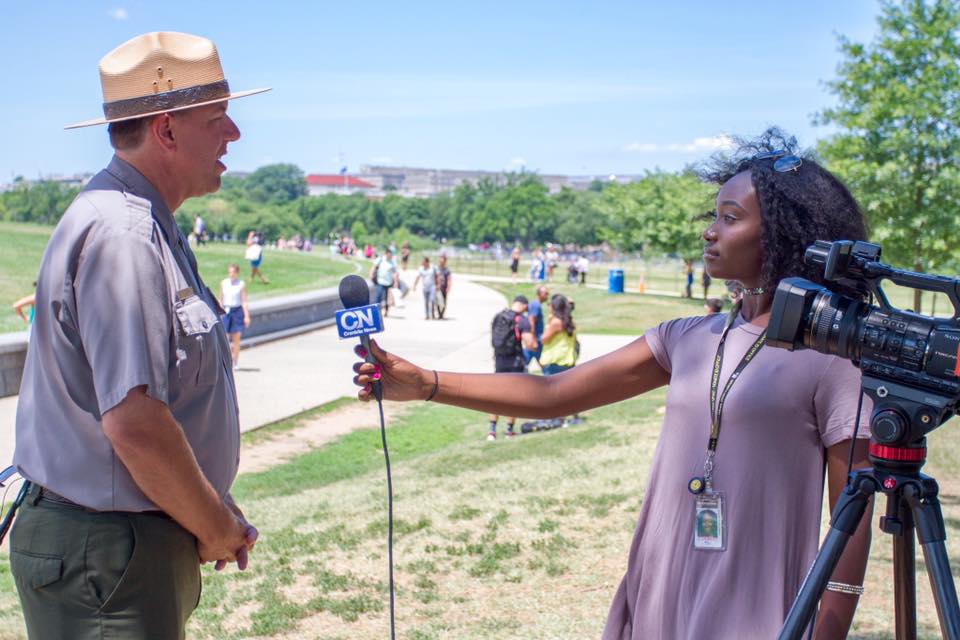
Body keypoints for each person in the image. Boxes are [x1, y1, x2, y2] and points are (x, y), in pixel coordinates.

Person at [349, 129, 873, 639]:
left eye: (730, 218)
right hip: (662, 591)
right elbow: (555, 393)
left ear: (784, 236)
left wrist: (827, 628)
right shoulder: (686, 337)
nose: (709, 232)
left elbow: (852, 517)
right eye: (713, 215)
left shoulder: (833, 362)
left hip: (760, 609)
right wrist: (425, 383)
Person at [8, 32, 268, 639]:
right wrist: (213, 523)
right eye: (218, 118)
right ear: (167, 131)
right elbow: (134, 422)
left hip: (118, 548)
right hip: (108, 553)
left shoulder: (146, 222)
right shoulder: (125, 236)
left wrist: (204, 507)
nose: (234, 134)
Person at [487, 295, 537, 440]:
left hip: (499, 361)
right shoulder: (522, 320)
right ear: (524, 306)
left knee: (496, 396)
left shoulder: (499, 317)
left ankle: (492, 431)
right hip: (515, 362)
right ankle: (509, 431)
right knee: (514, 397)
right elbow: (530, 344)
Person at [220, 264, 250, 369]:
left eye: (233, 272)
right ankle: (226, 360)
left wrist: (246, 316)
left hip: (237, 311)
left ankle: (235, 361)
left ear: (237, 273)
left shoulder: (241, 284)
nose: (231, 274)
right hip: (226, 311)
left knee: (236, 339)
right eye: (230, 272)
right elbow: (221, 299)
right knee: (224, 338)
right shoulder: (224, 283)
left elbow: (244, 301)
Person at [523, 285, 548, 367]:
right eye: (545, 293)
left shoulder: (536, 305)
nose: (547, 296)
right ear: (538, 294)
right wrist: (533, 340)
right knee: (543, 363)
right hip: (535, 338)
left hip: (536, 338)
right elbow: (531, 321)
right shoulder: (535, 305)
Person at [370, 247, 400, 317]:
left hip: (388, 282)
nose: (390, 256)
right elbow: (374, 267)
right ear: (386, 254)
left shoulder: (392, 262)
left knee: (387, 298)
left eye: (391, 255)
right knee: (378, 296)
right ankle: (377, 312)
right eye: (389, 255)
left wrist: (396, 282)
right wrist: (371, 274)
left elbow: (395, 273)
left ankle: (386, 311)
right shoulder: (380, 259)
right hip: (380, 281)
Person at [435, 254, 452, 319]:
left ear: (445, 261)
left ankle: (442, 314)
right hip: (438, 288)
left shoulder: (447, 270)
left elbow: (449, 279)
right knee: (438, 301)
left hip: (444, 288)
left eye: (443, 260)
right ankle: (439, 314)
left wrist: (448, 287)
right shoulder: (436, 269)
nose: (441, 262)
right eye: (440, 260)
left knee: (444, 301)